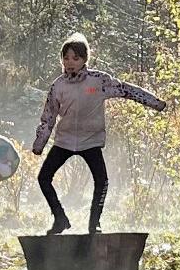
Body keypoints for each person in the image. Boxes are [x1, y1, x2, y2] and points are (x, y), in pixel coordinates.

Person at [31, 32, 168, 234]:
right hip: (65, 140)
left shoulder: (98, 81)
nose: (70, 63)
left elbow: (127, 90)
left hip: (91, 141)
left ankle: (94, 223)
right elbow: (48, 116)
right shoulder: (58, 85)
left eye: (75, 58)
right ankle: (59, 218)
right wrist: (39, 144)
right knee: (44, 177)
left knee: (102, 181)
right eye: (66, 58)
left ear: (85, 59)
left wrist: (156, 103)